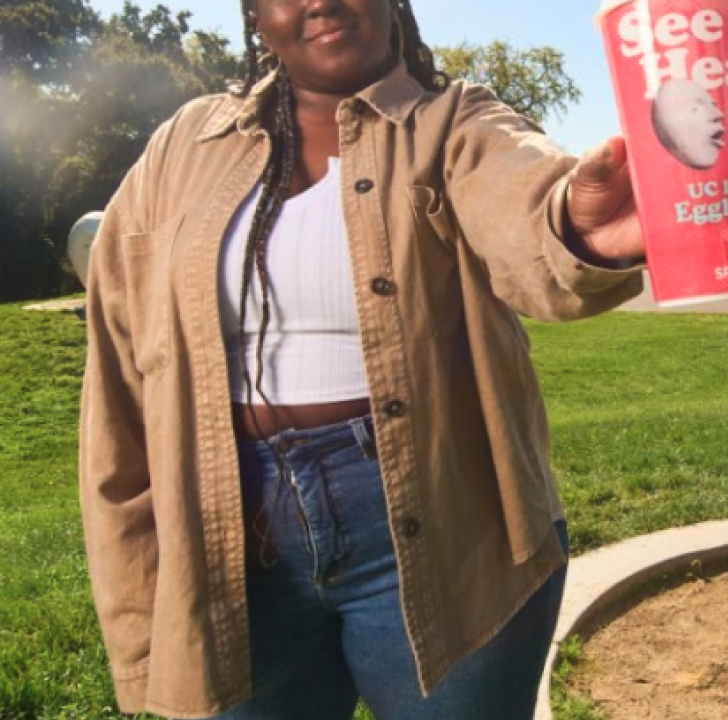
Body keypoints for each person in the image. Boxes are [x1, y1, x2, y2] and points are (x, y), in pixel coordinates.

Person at [77, 0, 651, 718]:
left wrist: (579, 225)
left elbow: (524, 198)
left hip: (451, 525)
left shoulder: (455, 121)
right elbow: (119, 358)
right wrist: (134, 563)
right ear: (256, 16)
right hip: (229, 547)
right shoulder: (184, 145)